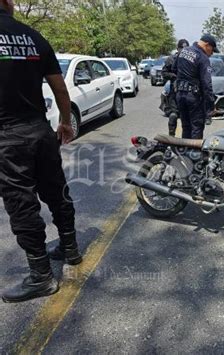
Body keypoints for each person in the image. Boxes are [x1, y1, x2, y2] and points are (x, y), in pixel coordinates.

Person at [0, 0, 82, 303]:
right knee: (56, 191)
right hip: (40, 131)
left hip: (8, 137)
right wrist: (64, 122)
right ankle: (70, 249)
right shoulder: (32, 36)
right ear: (7, 4)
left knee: (22, 205)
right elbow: (60, 89)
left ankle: (41, 277)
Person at [174, 34, 218, 139]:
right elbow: (207, 84)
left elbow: (174, 68)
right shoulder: (202, 57)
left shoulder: (183, 51)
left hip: (180, 95)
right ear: (207, 45)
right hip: (193, 97)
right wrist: (211, 106)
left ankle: (184, 153)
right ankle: (194, 154)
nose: (211, 54)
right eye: (212, 50)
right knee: (196, 128)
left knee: (186, 127)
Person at [161, 38, 189, 136]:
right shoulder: (171, 59)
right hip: (175, 91)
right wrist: (173, 76)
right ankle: (171, 137)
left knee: (186, 118)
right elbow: (164, 73)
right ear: (178, 49)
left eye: (186, 49)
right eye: (182, 48)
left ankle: (185, 141)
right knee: (173, 115)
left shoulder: (192, 61)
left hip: (188, 93)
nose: (184, 51)